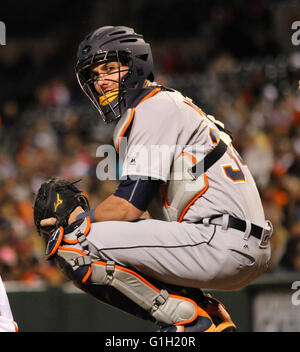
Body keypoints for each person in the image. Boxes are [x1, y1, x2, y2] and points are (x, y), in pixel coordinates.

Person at [39, 26, 272, 332]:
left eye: (110, 68)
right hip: (228, 240)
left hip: (221, 240)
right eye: (94, 74)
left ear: (135, 65)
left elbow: (128, 207)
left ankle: (188, 321)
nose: (101, 80)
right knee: (119, 243)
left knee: (74, 242)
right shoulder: (161, 105)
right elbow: (141, 217)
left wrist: (79, 220)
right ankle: (210, 316)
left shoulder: (152, 107)